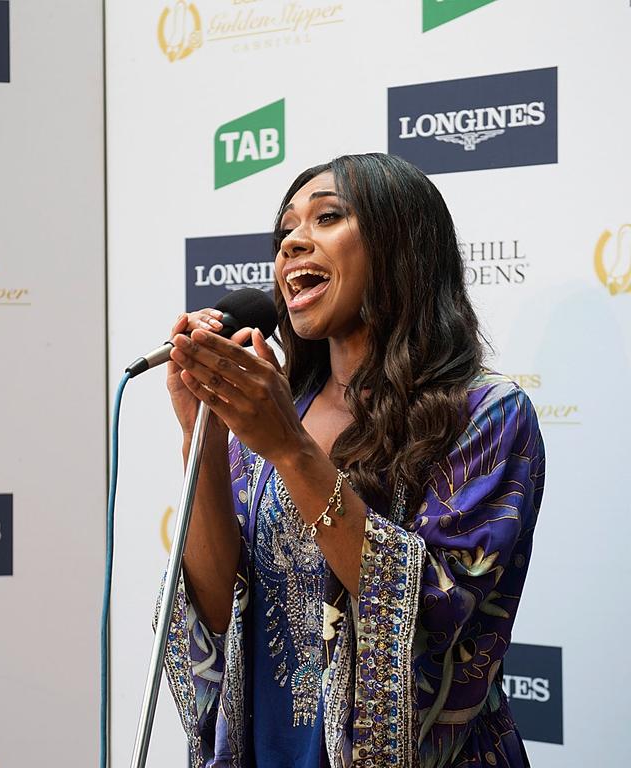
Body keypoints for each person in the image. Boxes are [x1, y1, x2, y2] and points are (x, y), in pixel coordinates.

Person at [161, 153, 545, 768]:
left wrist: (290, 448)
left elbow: (434, 609)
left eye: (327, 217)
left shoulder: (486, 415)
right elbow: (211, 611)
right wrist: (201, 436)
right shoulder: (283, 406)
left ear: (401, 246)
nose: (292, 243)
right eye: (285, 230)